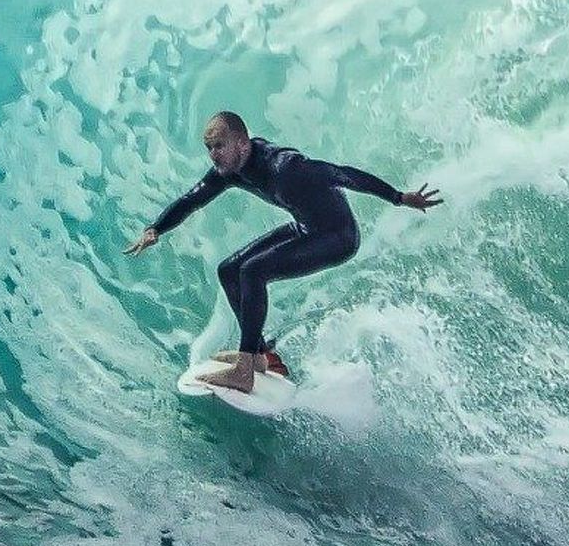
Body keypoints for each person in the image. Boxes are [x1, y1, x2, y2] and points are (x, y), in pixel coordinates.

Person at [125, 112, 442, 393]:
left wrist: (400, 198)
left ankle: (245, 368)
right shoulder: (231, 170)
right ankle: (260, 355)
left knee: (252, 271)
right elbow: (193, 198)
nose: (213, 155)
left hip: (338, 237)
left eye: (219, 147)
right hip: (306, 228)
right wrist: (156, 228)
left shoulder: (285, 167)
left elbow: (344, 174)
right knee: (229, 270)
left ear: (242, 144)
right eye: (209, 148)